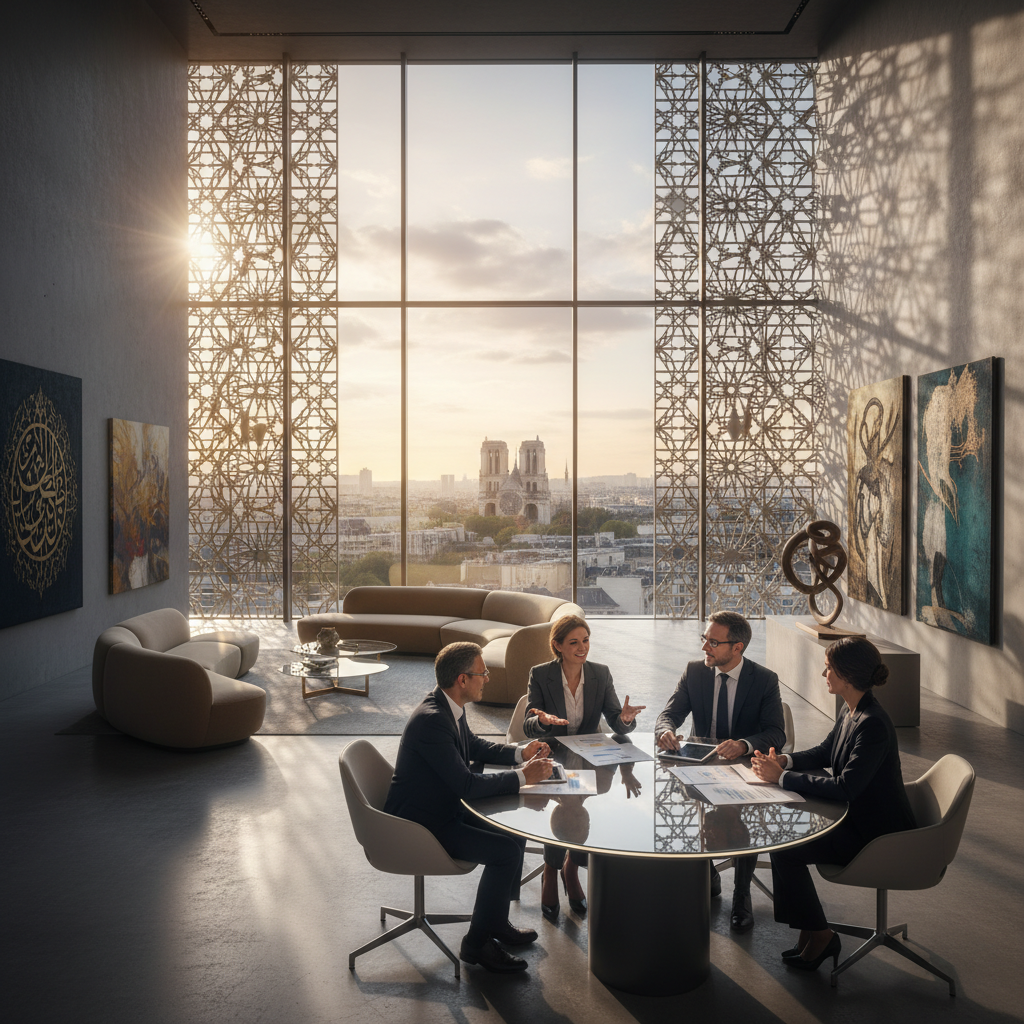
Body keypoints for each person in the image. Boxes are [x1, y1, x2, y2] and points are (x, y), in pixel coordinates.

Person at [383, 641, 556, 973]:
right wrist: (523, 777)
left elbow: (473, 745)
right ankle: (476, 944)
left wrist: (521, 752)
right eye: (482, 673)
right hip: (421, 826)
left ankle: (496, 923)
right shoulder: (433, 720)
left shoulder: (446, 705)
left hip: (439, 808)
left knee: (513, 832)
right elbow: (466, 785)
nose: (487, 679)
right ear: (462, 679)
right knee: (504, 852)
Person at [750, 636, 915, 971]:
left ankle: (820, 935)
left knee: (787, 847)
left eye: (829, 668)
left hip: (877, 836)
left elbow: (846, 787)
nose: (824, 673)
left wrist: (779, 779)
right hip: (857, 820)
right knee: (784, 842)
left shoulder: (873, 725)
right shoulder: (852, 708)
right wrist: (785, 760)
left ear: (848, 675)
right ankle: (812, 931)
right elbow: (826, 751)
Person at [654, 610, 785, 932]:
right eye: (705, 639)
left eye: (713, 642)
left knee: (739, 818)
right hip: (699, 766)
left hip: (743, 767)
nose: (705, 648)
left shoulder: (764, 679)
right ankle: (707, 873)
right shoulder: (695, 672)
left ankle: (741, 894)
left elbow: (776, 733)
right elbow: (669, 714)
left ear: (737, 648)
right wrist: (665, 731)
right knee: (690, 805)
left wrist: (743, 744)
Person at [522, 615, 645, 921]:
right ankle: (555, 871)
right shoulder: (540, 674)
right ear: (558, 646)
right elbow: (527, 725)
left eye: (586, 640)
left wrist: (626, 719)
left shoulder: (600, 674)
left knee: (575, 804)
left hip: (589, 757)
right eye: (574, 642)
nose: (582, 648)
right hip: (553, 756)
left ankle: (567, 867)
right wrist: (542, 722)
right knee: (571, 804)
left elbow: (617, 720)